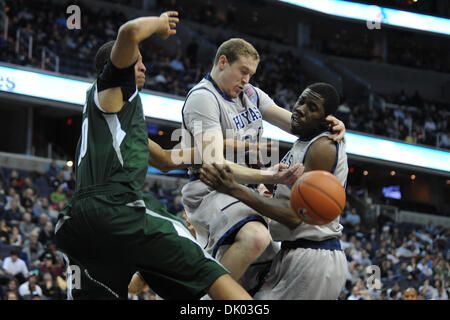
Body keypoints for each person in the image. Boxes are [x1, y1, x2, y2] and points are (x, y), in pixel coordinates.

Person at [55, 11, 252, 300]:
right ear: (119, 67)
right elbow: (129, 32)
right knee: (207, 269)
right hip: (116, 207)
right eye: (138, 62)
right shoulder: (112, 89)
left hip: (76, 224)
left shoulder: (112, 123)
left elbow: (166, 160)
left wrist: (225, 148)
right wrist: (159, 23)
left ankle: (142, 276)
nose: (144, 68)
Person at [180, 38, 345, 291]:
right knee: (256, 238)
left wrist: (331, 122)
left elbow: (295, 122)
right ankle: (199, 298)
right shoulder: (203, 98)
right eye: (243, 71)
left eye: (251, 74)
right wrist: (270, 177)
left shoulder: (250, 93)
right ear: (223, 62)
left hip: (244, 188)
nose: (247, 79)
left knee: (268, 257)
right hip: (212, 188)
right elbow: (215, 164)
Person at [199, 83, 349, 299]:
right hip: (294, 251)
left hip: (314, 256)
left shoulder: (322, 147)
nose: (301, 109)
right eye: (301, 101)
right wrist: (261, 176)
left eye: (312, 107)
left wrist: (233, 189)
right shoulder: (304, 142)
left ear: (326, 118)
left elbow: (295, 215)